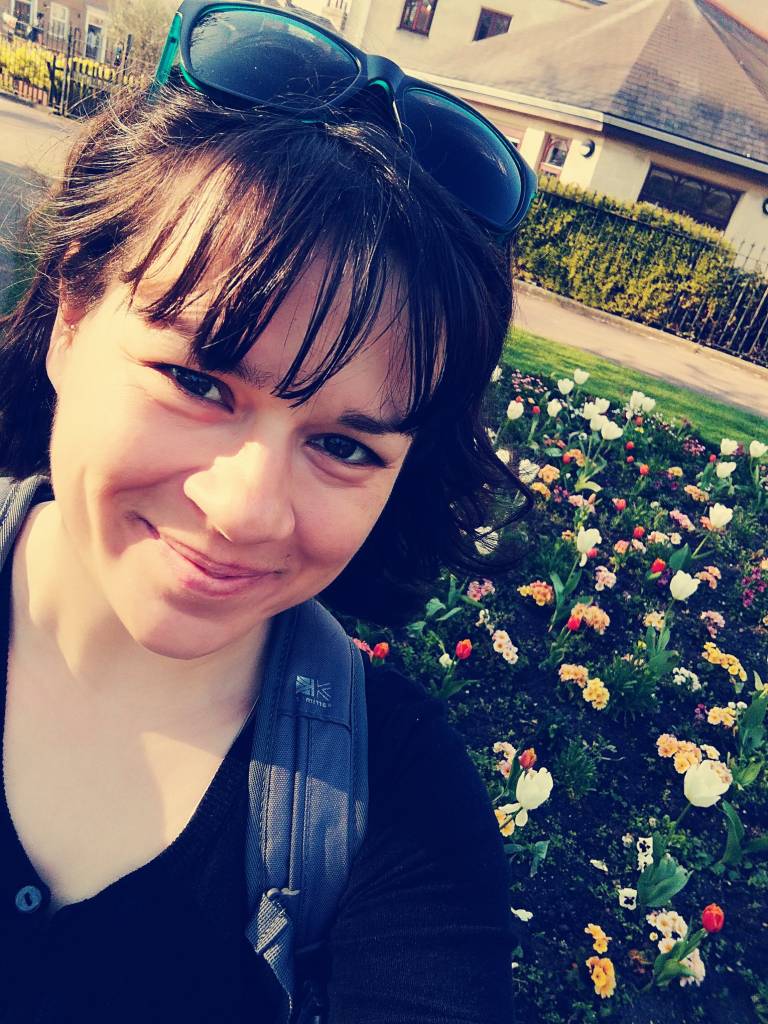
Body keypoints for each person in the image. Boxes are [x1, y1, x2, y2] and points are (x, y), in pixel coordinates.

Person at [0, 3, 536, 1021]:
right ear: (70, 317)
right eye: (199, 383)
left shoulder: (402, 803)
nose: (246, 510)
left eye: (345, 447)